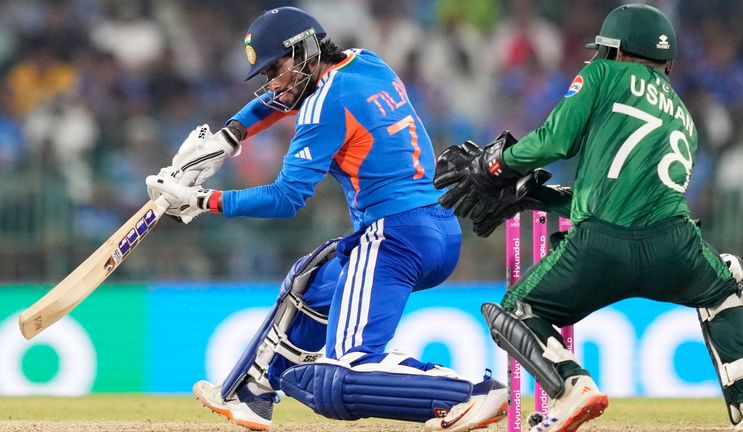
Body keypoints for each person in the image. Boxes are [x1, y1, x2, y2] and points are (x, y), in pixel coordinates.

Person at [145, 6, 511, 432]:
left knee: (340, 377)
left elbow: (285, 198)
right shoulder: (367, 62)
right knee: (313, 281)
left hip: (394, 236)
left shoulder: (323, 107)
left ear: (304, 51)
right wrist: (229, 137)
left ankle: (470, 394)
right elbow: (286, 99)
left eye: (275, 69)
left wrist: (201, 199)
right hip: (437, 229)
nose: (272, 83)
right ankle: (253, 393)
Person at [434, 4, 743, 432]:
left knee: (516, 310)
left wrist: (496, 164)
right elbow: (632, 197)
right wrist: (540, 197)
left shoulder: (602, 74)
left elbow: (554, 141)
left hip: (599, 248)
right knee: (727, 284)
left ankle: (572, 386)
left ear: (618, 51)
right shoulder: (683, 116)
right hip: (674, 247)